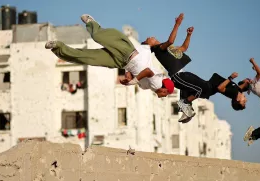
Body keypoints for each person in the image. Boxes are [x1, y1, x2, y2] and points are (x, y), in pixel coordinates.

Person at [142, 13, 247, 123]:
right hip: (177, 76)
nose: (149, 37)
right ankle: (184, 104)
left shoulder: (168, 49)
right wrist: (177, 24)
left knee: (196, 89)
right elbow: (170, 41)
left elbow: (183, 48)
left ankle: (186, 108)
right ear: (150, 45)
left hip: (182, 75)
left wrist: (188, 35)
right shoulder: (159, 49)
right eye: (147, 40)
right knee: (199, 90)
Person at [45, 14, 175, 97]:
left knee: (86, 58)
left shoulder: (147, 87)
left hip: (122, 62)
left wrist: (128, 74)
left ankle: (57, 46)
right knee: (97, 36)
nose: (162, 97)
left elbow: (138, 69)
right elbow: (147, 71)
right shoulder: (157, 83)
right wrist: (133, 81)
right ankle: (92, 23)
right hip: (127, 51)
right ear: (164, 90)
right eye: (165, 95)